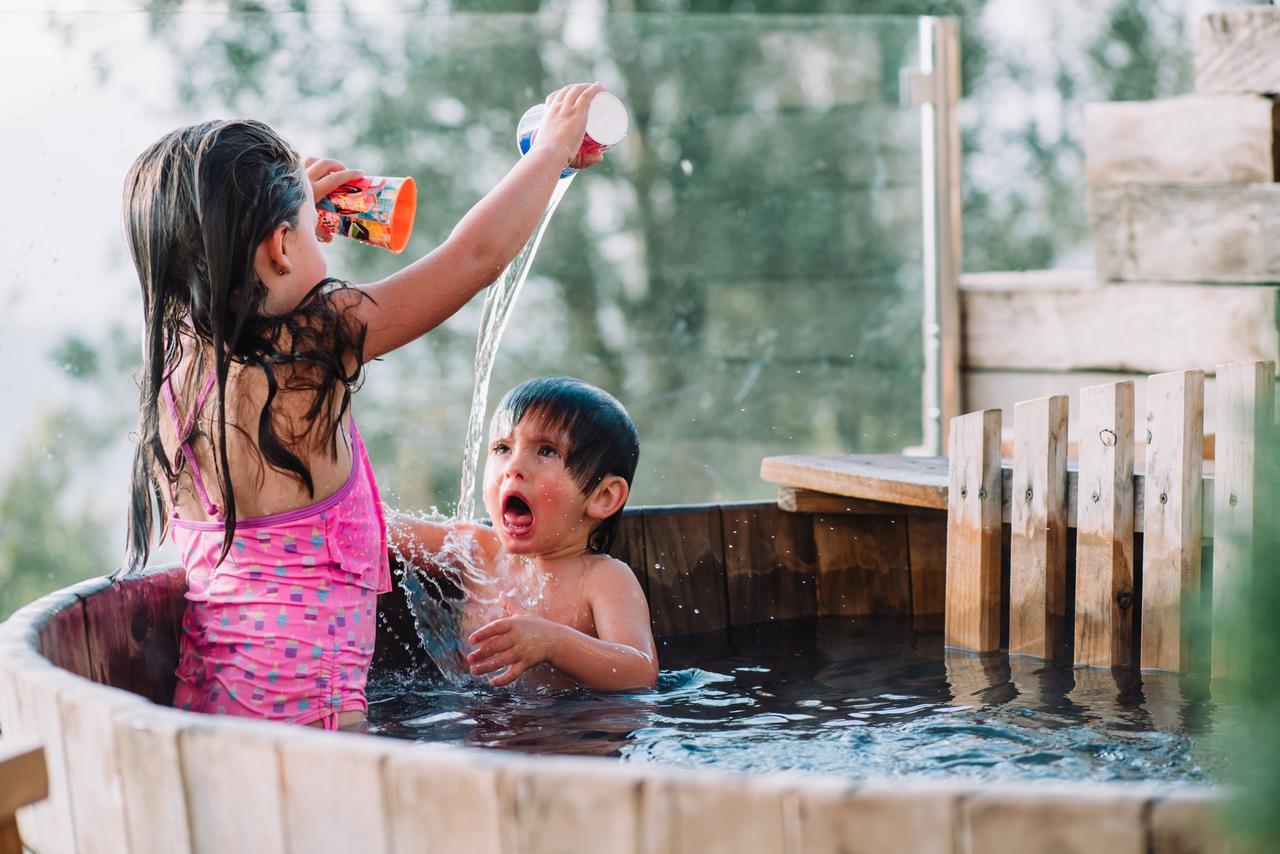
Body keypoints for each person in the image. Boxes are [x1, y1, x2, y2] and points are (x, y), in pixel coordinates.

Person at [122, 82, 610, 730]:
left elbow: (243, 296)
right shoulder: (313, 348)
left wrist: (287, 214)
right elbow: (474, 256)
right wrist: (549, 151)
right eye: (304, 228)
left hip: (209, 715)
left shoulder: (176, 383)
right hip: (315, 736)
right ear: (279, 246)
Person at [394, 376, 658, 692]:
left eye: (546, 451)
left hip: (571, 731)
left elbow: (640, 670)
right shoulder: (477, 548)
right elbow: (384, 529)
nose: (513, 466)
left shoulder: (602, 578)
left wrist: (553, 643)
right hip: (477, 727)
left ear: (603, 497)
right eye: (502, 448)